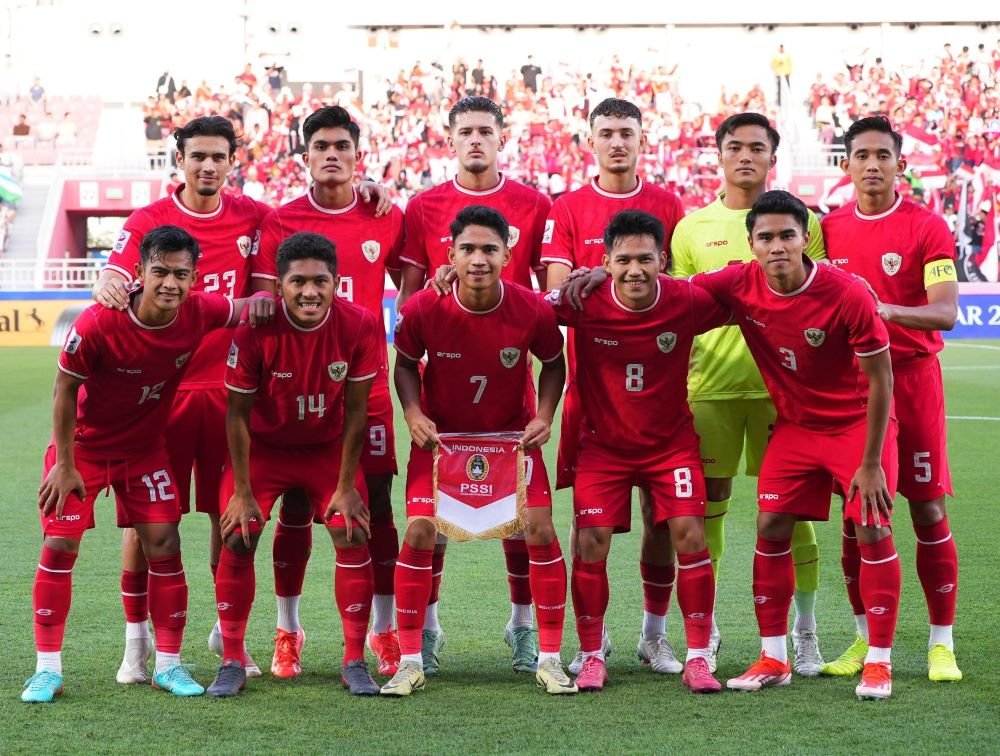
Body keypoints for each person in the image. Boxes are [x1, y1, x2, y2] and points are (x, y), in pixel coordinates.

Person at [92, 116, 391, 685]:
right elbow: (113, 272)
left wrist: (369, 186)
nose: (208, 166)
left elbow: (319, 229)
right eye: (197, 156)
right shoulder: (148, 220)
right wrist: (106, 280)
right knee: (147, 522)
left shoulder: (257, 217)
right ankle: (137, 642)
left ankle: (225, 639)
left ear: (234, 161)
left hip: (233, 394)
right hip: (164, 395)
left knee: (223, 516)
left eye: (218, 157)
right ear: (178, 158)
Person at [22, 225, 272, 703]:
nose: (170, 284)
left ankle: (169, 665)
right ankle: (47, 669)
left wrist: (292, 300)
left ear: (196, 277)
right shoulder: (99, 322)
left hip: (143, 451)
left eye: (181, 274)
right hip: (83, 450)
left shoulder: (199, 312)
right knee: (59, 544)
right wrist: (66, 463)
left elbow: (245, 307)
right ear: (139, 272)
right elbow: (63, 390)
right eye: (160, 272)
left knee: (165, 542)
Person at [691, 190, 900, 701]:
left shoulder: (846, 292)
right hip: (797, 428)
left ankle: (879, 661)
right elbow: (670, 291)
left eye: (788, 235)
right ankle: (775, 656)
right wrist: (601, 279)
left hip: (856, 427)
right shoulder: (739, 282)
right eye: (766, 237)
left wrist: (871, 464)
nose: (778, 246)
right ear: (751, 243)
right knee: (770, 525)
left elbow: (881, 382)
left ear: (805, 237)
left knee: (871, 529)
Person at [384, 205, 574, 697]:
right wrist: (412, 413)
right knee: (424, 530)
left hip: (510, 440)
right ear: (450, 254)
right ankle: (416, 649)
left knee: (537, 527)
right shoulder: (425, 308)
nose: (478, 258)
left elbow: (554, 364)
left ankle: (542, 648)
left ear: (508, 255)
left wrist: (544, 415)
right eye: (467, 249)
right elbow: (404, 365)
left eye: (490, 249)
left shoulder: (531, 308)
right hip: (442, 439)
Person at [397, 96, 553, 675]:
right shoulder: (424, 205)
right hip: (446, 403)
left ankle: (522, 629)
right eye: (465, 131)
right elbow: (410, 303)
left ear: (501, 136)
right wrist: (434, 294)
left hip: (510, 395)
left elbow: (545, 293)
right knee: (430, 524)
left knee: (522, 522)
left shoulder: (534, 204)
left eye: (486, 130)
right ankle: (427, 634)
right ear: (450, 137)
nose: (476, 140)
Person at [669, 112, 828, 676]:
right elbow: (681, 305)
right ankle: (705, 633)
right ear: (719, 155)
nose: (745, 156)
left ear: (771, 157)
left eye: (756, 148)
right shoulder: (691, 228)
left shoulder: (801, 222)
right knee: (705, 513)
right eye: (734, 147)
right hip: (710, 389)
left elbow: (816, 300)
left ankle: (804, 633)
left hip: (781, 395)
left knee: (792, 513)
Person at [253, 106, 405, 679]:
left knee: (377, 511)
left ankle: (384, 630)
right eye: (320, 146)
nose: (332, 154)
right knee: (295, 508)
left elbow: (409, 293)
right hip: (297, 395)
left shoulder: (386, 215)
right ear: (306, 156)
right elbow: (266, 311)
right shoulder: (279, 222)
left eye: (343, 145)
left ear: (358, 155)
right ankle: (288, 630)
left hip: (365, 390)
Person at [548, 210, 725, 694]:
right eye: (622, 260)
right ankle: (589, 655)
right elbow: (521, 308)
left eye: (645, 259)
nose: (634, 270)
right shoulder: (582, 299)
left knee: (689, 534)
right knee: (590, 542)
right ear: (605, 262)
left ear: (662, 260)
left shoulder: (686, 298)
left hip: (670, 446)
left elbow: (744, 298)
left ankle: (695, 655)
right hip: (603, 446)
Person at [539, 97, 684, 674]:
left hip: (661, 392)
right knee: (590, 528)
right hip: (592, 397)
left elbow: (678, 285)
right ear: (590, 142)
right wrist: (599, 273)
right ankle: (591, 645)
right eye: (607, 133)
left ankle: (654, 635)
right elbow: (558, 294)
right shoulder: (569, 207)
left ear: (642, 139)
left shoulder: (669, 204)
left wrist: (609, 273)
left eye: (627, 132)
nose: (617, 142)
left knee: (663, 520)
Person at [207, 232, 382, 697]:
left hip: (326, 449)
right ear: (280, 286)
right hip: (264, 449)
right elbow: (237, 416)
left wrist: (346, 486)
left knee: (352, 527)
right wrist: (243, 492)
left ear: (336, 282)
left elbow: (358, 412)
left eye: (320, 281)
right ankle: (232, 659)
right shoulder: (254, 331)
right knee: (238, 534)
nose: (310, 291)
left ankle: (353, 659)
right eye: (298, 282)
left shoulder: (360, 324)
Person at [821, 116, 962, 683]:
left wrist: (882, 309)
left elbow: (946, 312)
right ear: (847, 164)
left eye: (884, 154)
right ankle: (862, 641)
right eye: (862, 155)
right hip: (854, 387)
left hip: (913, 378)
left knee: (927, 509)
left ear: (900, 164)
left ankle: (941, 644)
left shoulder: (927, 227)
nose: (873, 164)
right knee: (859, 519)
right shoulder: (827, 229)